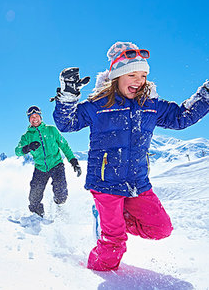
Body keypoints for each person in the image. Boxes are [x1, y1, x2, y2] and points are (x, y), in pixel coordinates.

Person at [52, 41, 209, 271]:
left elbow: (181, 117)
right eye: (132, 74)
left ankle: (112, 219)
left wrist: (206, 94)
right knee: (113, 246)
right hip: (105, 184)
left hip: (137, 183)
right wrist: (68, 96)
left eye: (143, 75)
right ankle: (92, 275)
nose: (139, 80)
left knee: (161, 228)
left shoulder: (151, 105)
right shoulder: (98, 105)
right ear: (117, 76)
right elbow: (67, 123)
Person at [15, 105, 81, 217]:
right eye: (32, 117)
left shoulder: (51, 130)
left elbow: (64, 145)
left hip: (56, 165)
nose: (34, 118)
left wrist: (73, 160)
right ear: (29, 120)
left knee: (61, 192)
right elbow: (17, 151)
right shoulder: (26, 137)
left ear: (41, 117)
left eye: (36, 116)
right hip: (40, 168)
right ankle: (37, 217)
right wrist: (28, 148)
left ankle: (60, 211)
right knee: (34, 197)